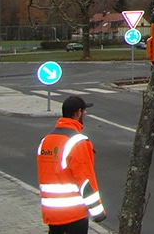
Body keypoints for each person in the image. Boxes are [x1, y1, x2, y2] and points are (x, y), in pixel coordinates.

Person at [37, 95, 105, 233]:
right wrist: (97, 211)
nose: (85, 115)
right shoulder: (77, 142)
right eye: (84, 112)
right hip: (73, 214)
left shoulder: (46, 140)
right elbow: (85, 179)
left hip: (51, 213)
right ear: (78, 113)